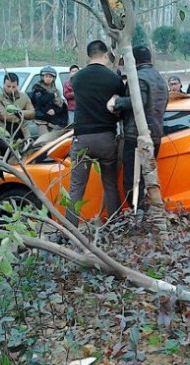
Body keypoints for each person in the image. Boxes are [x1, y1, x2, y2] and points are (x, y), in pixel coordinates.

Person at [65, 40, 124, 228]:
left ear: (89, 55)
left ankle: (70, 231)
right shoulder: (113, 78)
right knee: (110, 184)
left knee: (76, 188)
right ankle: (115, 226)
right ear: (105, 55)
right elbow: (120, 103)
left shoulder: (77, 79)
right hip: (106, 137)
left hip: (82, 138)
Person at [107, 46, 168, 207]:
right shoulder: (160, 79)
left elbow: (138, 102)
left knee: (132, 183)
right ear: (150, 60)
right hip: (155, 134)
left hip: (137, 136)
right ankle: (145, 216)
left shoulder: (138, 78)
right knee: (147, 178)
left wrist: (117, 102)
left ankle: (139, 216)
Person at [0, 72, 35, 140]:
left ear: (17, 86)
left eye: (14, 87)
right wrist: (20, 117)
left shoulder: (23, 96)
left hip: (22, 132)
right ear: (4, 85)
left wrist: (18, 112)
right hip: (4, 132)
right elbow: (4, 115)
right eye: (8, 86)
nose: (11, 89)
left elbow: (32, 113)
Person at [30, 65, 68, 135]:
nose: (48, 78)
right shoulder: (37, 88)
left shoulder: (55, 90)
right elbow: (39, 102)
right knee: (44, 139)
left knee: (54, 141)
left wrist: (54, 110)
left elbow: (60, 106)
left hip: (53, 121)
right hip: (41, 120)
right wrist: (52, 97)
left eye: (50, 77)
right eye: (46, 76)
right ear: (42, 77)